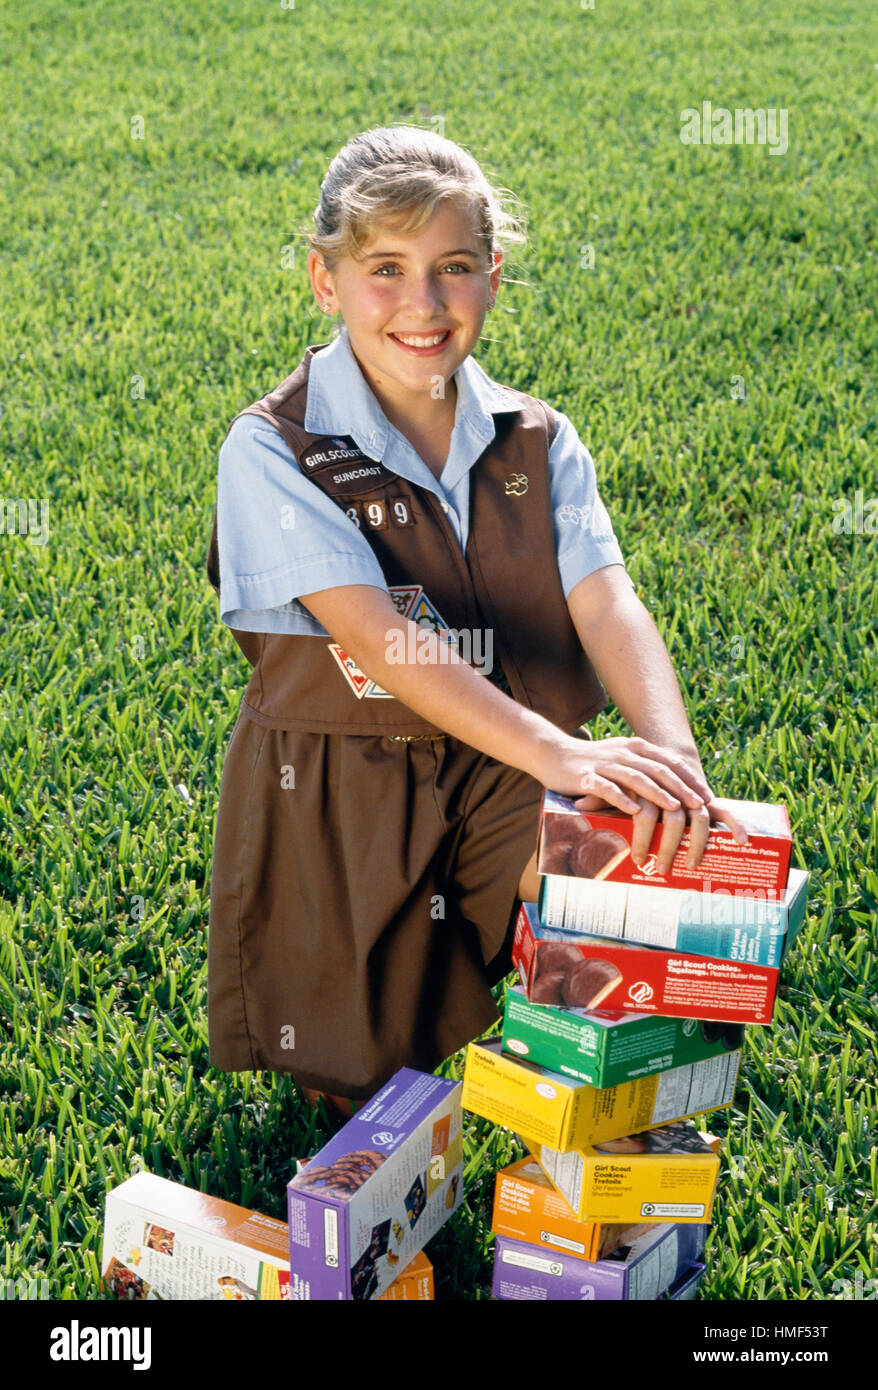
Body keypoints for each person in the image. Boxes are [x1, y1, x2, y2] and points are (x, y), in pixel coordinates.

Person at [205, 125, 747, 1119]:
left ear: (492, 276)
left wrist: (666, 754)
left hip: (503, 763)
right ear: (324, 279)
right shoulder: (272, 449)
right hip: (343, 791)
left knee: (623, 882)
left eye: (453, 268)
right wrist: (562, 753)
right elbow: (377, 637)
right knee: (360, 1083)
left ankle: (595, 1144)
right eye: (384, 269)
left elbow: (603, 593)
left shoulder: (535, 438)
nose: (422, 304)